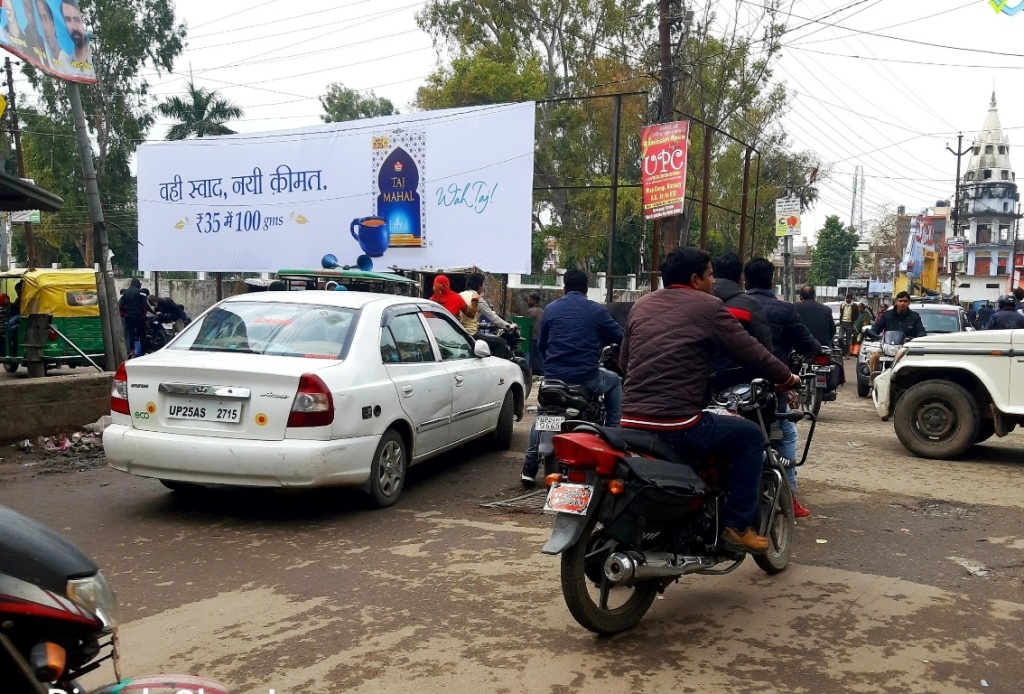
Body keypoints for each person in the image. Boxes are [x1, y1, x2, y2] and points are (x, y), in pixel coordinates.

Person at [620, 248, 800, 554]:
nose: (714, 281)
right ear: (695, 279)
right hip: (677, 423)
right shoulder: (708, 306)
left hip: (630, 421)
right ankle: (737, 527)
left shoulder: (641, 304)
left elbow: (624, 363)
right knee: (750, 438)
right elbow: (752, 352)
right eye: (710, 274)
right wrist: (787, 378)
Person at [520, 269, 623, 484]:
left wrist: (551, 367)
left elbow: (542, 344)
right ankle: (614, 435)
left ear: (564, 288)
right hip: (586, 380)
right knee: (614, 381)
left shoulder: (551, 309)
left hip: (553, 379)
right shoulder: (596, 310)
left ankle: (529, 468)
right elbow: (620, 336)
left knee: (543, 415)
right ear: (587, 289)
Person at [745, 258, 820, 518]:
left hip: (731, 387)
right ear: (771, 280)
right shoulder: (784, 310)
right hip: (771, 385)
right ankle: (787, 496)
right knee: (786, 433)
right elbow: (807, 344)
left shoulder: (730, 306)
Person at [711, 252, 773, 386]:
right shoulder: (750, 305)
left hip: (701, 383)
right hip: (740, 383)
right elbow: (764, 347)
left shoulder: (696, 303)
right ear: (740, 278)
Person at [866, 291, 927, 377]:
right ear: (896, 302)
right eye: (900, 301)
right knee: (874, 357)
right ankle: (873, 381)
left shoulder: (915, 317)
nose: (902, 303)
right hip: (887, 348)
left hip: (906, 349)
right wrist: (872, 333)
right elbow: (876, 327)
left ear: (909, 302)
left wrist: (920, 338)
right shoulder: (887, 315)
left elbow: (920, 331)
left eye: (905, 301)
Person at [35, 0, 71, 70]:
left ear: (52, 22)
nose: (44, 27)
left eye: (45, 18)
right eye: (40, 20)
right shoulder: (42, 61)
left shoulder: (69, 64)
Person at [119, 278, 149, 357]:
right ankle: (144, 352)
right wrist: (153, 312)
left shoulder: (125, 293)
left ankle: (132, 353)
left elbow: (120, 306)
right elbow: (145, 304)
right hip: (139, 317)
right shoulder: (141, 292)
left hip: (128, 317)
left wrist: (125, 312)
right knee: (142, 334)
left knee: (130, 335)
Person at [60, 0, 90, 67]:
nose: (74, 27)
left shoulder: (93, 53)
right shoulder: (64, 57)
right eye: (68, 20)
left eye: (77, 20)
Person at [525, 293, 544, 376]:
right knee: (540, 355)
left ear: (534, 301)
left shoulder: (531, 311)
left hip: (532, 336)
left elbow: (526, 324)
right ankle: (543, 372)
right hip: (541, 336)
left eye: (529, 300)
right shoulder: (543, 311)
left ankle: (527, 372)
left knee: (528, 354)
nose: (528, 302)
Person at [6, 280, 23, 351]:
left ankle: (10, 345)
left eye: (19, 293)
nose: (18, 294)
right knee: (8, 323)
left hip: (23, 318)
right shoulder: (18, 299)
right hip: (17, 316)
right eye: (17, 293)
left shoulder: (26, 299)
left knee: (10, 325)